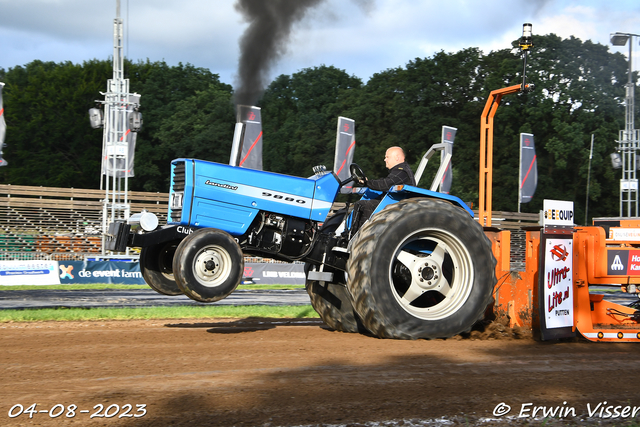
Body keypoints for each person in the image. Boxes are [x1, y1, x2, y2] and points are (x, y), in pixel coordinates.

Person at [351, 146, 415, 234]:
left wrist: (367, 183)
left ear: (397, 158)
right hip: (395, 203)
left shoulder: (402, 172)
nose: (385, 160)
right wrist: (368, 182)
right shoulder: (398, 171)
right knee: (360, 204)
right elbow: (384, 182)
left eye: (387, 157)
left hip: (401, 206)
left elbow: (385, 184)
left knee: (370, 205)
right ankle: (353, 235)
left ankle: (364, 236)